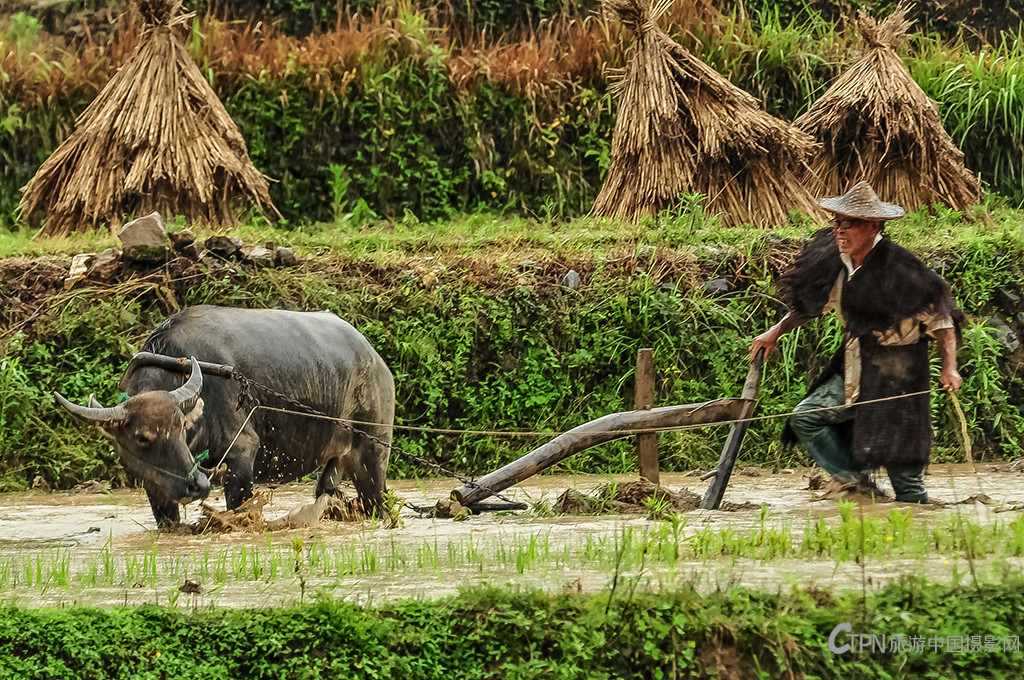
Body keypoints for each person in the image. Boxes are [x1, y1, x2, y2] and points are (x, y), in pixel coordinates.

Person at [751, 181, 963, 503]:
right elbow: (811, 307)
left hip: (899, 374)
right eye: (836, 223)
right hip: (857, 363)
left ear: (872, 226)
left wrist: (950, 369)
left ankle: (919, 518)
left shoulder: (903, 270)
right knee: (806, 417)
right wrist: (776, 330)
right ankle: (856, 486)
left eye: (846, 224)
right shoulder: (839, 264)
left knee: (902, 466)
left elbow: (943, 322)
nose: (838, 231)